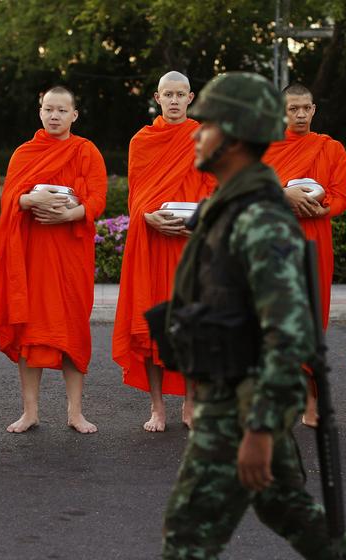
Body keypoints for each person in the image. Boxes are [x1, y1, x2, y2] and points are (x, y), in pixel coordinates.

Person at [157, 72, 346, 560]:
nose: (195, 133)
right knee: (290, 510)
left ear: (234, 135)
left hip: (241, 408)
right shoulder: (230, 207)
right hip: (233, 394)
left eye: (205, 125)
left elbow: (288, 333)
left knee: (186, 537)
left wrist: (260, 429)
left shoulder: (258, 217)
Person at [0, 86, 107, 434]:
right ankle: (30, 411)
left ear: (74, 115)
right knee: (31, 332)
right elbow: (9, 198)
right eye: (48, 109)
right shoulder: (26, 152)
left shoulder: (86, 151)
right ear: (40, 111)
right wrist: (25, 202)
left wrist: (72, 215)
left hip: (71, 254)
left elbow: (98, 198)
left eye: (61, 110)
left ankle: (75, 411)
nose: (54, 116)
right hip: (34, 256)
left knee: (72, 330)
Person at [113, 70, 216, 432]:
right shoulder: (143, 140)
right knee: (153, 325)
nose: (173, 101)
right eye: (167, 94)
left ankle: (189, 404)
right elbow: (136, 194)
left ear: (191, 98)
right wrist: (147, 217)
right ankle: (157, 408)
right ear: (158, 98)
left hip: (190, 246)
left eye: (180, 94)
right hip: (153, 244)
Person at [263, 82, 346, 427]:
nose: (299, 115)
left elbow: (341, 197)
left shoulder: (330, 149)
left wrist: (321, 209)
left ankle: (311, 401)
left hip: (315, 243)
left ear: (314, 109)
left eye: (305, 108)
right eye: (292, 109)